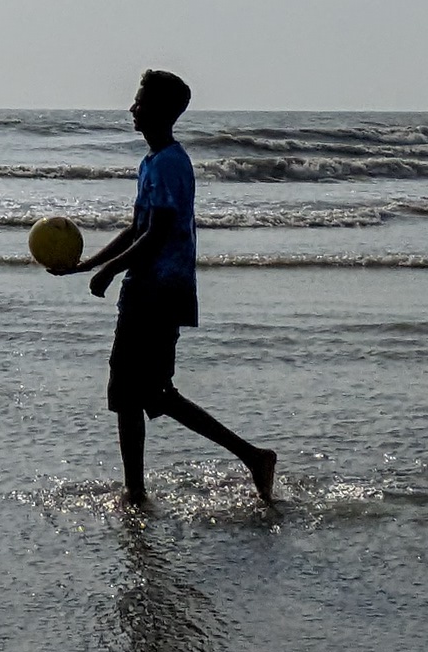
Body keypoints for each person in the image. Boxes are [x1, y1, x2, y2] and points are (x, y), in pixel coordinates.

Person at [48, 68, 276, 510]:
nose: (132, 108)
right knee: (127, 392)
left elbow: (157, 233)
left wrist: (110, 271)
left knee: (149, 392)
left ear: (164, 111)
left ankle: (252, 457)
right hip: (144, 288)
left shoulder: (171, 162)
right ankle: (137, 488)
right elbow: (136, 226)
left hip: (160, 290)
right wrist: (86, 266)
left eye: (140, 101)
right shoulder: (151, 162)